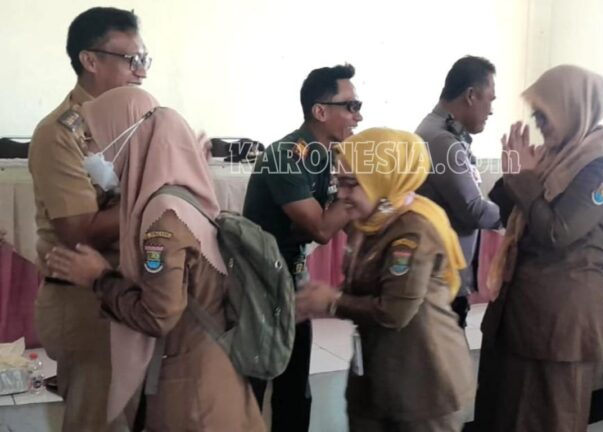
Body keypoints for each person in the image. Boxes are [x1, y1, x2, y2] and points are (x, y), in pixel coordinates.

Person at [45, 86, 265, 431]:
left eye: (96, 140)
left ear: (124, 140)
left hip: (194, 397)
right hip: (213, 375)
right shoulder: (182, 196)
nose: (91, 152)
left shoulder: (162, 218)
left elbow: (157, 315)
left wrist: (99, 278)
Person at [475, 65, 603, 431]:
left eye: (545, 115)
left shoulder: (600, 167)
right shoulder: (553, 157)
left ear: (571, 109)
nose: (539, 125)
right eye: (536, 116)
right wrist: (513, 170)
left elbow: (558, 232)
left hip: (560, 323)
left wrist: (525, 178)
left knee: (545, 415)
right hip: (520, 312)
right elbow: (503, 212)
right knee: (502, 411)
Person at [295, 127, 475, 431]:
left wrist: (332, 302)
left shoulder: (413, 230)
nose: (341, 194)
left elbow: (395, 310)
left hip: (421, 385)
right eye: (339, 182)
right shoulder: (370, 223)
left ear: (381, 177)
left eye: (351, 183)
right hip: (378, 377)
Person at [27, 7, 150, 431]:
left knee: (131, 416)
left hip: (130, 290)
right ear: (90, 60)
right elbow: (78, 230)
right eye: (131, 60)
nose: (141, 72)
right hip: (83, 301)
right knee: (97, 419)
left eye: (144, 59)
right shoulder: (60, 133)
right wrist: (154, 200)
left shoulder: (136, 123)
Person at [242, 63, 361, 431]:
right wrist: (356, 191)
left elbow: (346, 222)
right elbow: (321, 229)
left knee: (295, 385)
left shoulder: (330, 155)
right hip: (261, 282)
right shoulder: (285, 155)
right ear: (320, 111)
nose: (358, 116)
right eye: (351, 106)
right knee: (254, 382)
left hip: (293, 275)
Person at [415, 55, 501, 327]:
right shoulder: (442, 139)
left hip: (439, 278)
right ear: (471, 95)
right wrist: (517, 211)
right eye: (490, 99)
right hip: (441, 283)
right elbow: (473, 210)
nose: (491, 110)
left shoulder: (439, 131)